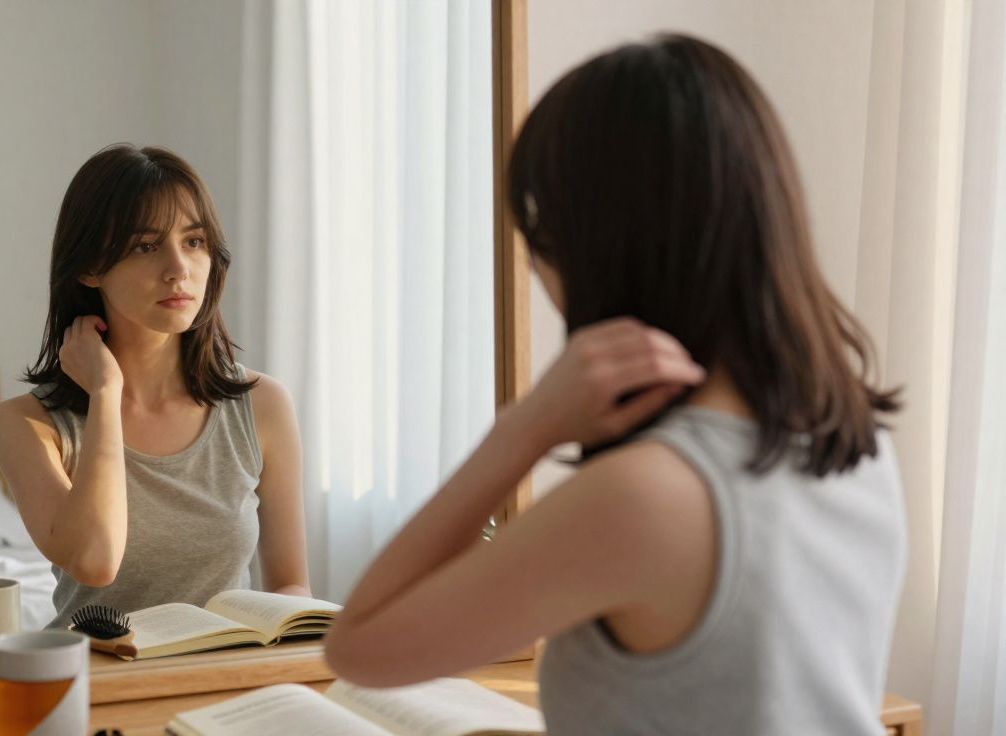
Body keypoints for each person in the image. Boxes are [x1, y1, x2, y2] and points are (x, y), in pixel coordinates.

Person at [324, 34, 906, 735]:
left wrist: (526, 426)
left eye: (541, 228)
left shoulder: (646, 496)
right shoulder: (857, 441)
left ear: (596, 239)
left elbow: (360, 647)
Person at [0, 144, 310, 629]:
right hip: (97, 686)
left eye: (194, 241)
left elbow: (290, 585)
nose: (179, 268)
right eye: (145, 245)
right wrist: (104, 393)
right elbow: (95, 561)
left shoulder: (261, 405)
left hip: (225, 682)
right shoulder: (28, 424)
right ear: (90, 267)